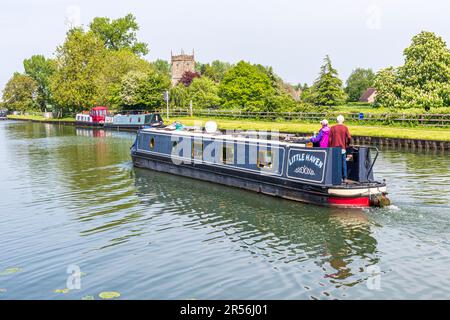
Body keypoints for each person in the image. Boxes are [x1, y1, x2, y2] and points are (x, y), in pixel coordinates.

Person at [328, 115, 352, 182]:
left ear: (337, 120)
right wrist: (347, 144)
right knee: (343, 163)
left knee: (336, 163)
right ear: (343, 120)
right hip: (342, 148)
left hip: (334, 148)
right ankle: (345, 178)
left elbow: (329, 139)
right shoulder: (345, 128)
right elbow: (349, 137)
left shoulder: (332, 128)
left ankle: (337, 177)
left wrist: (330, 146)